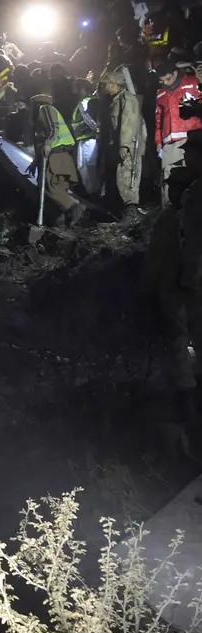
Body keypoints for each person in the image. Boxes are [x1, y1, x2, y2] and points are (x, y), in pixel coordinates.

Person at [142, 131, 202, 419]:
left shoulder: (188, 205)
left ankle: (188, 403)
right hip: (188, 284)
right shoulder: (186, 204)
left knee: (181, 340)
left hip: (190, 285)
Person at [27, 93, 85, 225]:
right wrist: (36, 161)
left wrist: (48, 144)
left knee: (50, 186)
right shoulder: (40, 117)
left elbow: (54, 128)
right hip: (61, 153)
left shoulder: (45, 109)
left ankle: (74, 206)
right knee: (59, 186)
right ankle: (61, 220)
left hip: (56, 153)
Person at [155, 61, 202, 205]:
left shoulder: (193, 82)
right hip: (169, 143)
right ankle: (168, 212)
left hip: (191, 139)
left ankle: (190, 210)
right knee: (168, 178)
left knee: (192, 176)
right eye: (162, 81)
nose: (165, 83)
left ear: (175, 72)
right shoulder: (160, 92)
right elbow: (159, 118)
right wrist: (158, 141)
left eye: (168, 79)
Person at [99, 70, 145, 215]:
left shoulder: (127, 99)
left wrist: (124, 144)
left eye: (106, 84)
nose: (104, 87)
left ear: (113, 84)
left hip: (128, 147)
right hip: (116, 146)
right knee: (117, 177)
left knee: (127, 177)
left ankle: (131, 212)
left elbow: (128, 123)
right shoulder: (115, 100)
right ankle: (120, 211)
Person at [70, 83, 101, 196]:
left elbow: (90, 119)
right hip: (83, 139)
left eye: (79, 88)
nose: (76, 91)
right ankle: (90, 192)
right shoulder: (82, 103)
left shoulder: (86, 102)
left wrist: (97, 130)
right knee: (83, 166)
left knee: (89, 165)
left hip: (90, 139)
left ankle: (94, 192)